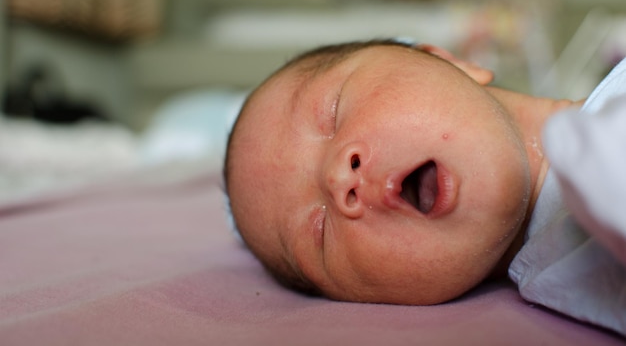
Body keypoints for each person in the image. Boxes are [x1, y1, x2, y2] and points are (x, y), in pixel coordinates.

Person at [223, 39, 626, 334]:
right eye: (319, 233)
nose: (338, 180)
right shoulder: (571, 287)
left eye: (333, 111)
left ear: (448, 61)